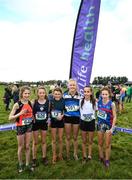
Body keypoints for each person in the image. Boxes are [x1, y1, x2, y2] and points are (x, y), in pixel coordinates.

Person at [9, 86, 34, 173]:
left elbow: (32, 114)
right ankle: (20, 164)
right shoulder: (17, 104)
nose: (27, 95)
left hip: (29, 126)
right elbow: (10, 118)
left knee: (27, 146)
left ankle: (27, 163)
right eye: (25, 93)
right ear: (21, 94)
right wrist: (20, 113)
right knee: (21, 146)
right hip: (20, 127)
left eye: (28, 93)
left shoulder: (30, 103)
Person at [97, 86, 116, 168]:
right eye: (103, 94)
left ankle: (107, 160)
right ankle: (101, 157)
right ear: (101, 94)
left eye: (106, 94)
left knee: (107, 144)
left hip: (108, 125)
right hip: (100, 125)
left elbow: (115, 116)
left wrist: (112, 128)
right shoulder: (99, 102)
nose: (104, 96)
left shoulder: (112, 104)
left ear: (109, 95)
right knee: (100, 143)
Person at [63, 79, 80, 160]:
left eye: (74, 85)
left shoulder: (80, 96)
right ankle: (67, 154)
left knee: (75, 137)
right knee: (68, 137)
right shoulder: (64, 95)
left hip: (76, 118)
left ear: (76, 86)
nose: (72, 86)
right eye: (71, 85)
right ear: (68, 86)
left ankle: (75, 154)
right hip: (67, 118)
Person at [32, 86, 49, 167]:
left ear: (45, 93)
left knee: (44, 141)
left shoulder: (48, 102)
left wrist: (48, 119)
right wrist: (33, 118)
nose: (42, 94)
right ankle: (34, 159)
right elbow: (30, 112)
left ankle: (44, 157)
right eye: (40, 93)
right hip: (35, 124)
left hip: (44, 124)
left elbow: (49, 112)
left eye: (43, 93)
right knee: (35, 142)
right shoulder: (34, 102)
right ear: (37, 94)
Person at [80, 86, 97, 164]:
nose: (86, 93)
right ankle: (84, 155)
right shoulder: (80, 101)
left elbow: (98, 111)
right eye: (85, 92)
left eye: (88, 92)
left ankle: (89, 155)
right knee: (83, 141)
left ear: (91, 92)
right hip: (83, 122)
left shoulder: (94, 102)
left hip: (91, 122)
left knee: (90, 141)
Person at [49, 87, 65, 164]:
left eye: (59, 94)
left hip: (61, 121)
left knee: (61, 139)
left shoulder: (63, 101)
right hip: (53, 122)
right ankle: (54, 155)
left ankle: (60, 154)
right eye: (55, 94)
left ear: (61, 94)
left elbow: (65, 110)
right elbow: (48, 112)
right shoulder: (50, 101)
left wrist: (62, 116)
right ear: (53, 94)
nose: (57, 95)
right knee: (54, 140)